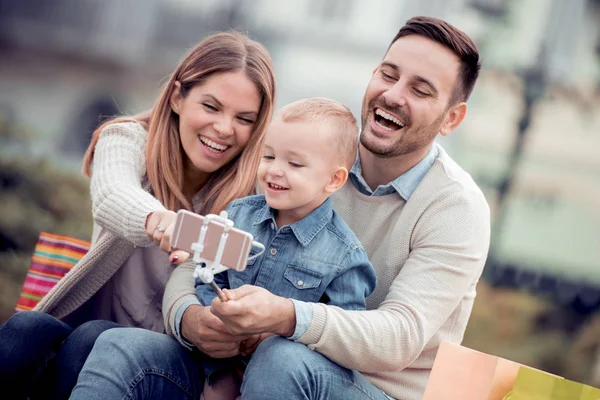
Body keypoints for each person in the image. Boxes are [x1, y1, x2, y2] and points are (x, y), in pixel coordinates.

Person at [71, 15, 490, 400]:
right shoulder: (303, 158)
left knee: (283, 359)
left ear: (451, 119)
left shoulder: (456, 209)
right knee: (119, 345)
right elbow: (203, 259)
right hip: (244, 368)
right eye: (388, 74)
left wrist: (286, 317)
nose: (393, 95)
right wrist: (190, 318)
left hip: (372, 389)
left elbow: (399, 337)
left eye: (420, 90)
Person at [0, 31, 275, 400]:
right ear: (178, 96)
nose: (224, 129)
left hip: (170, 357)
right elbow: (112, 195)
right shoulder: (127, 140)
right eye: (211, 107)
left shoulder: (253, 196)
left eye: (244, 119)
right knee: (25, 328)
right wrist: (161, 222)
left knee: (96, 337)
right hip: (85, 330)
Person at [191, 98, 376, 389]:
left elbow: (345, 337)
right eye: (268, 157)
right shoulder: (235, 214)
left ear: (334, 179)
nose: (275, 170)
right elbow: (204, 276)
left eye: (294, 163)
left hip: (284, 379)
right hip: (216, 361)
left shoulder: (345, 256)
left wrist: (278, 333)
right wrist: (215, 313)